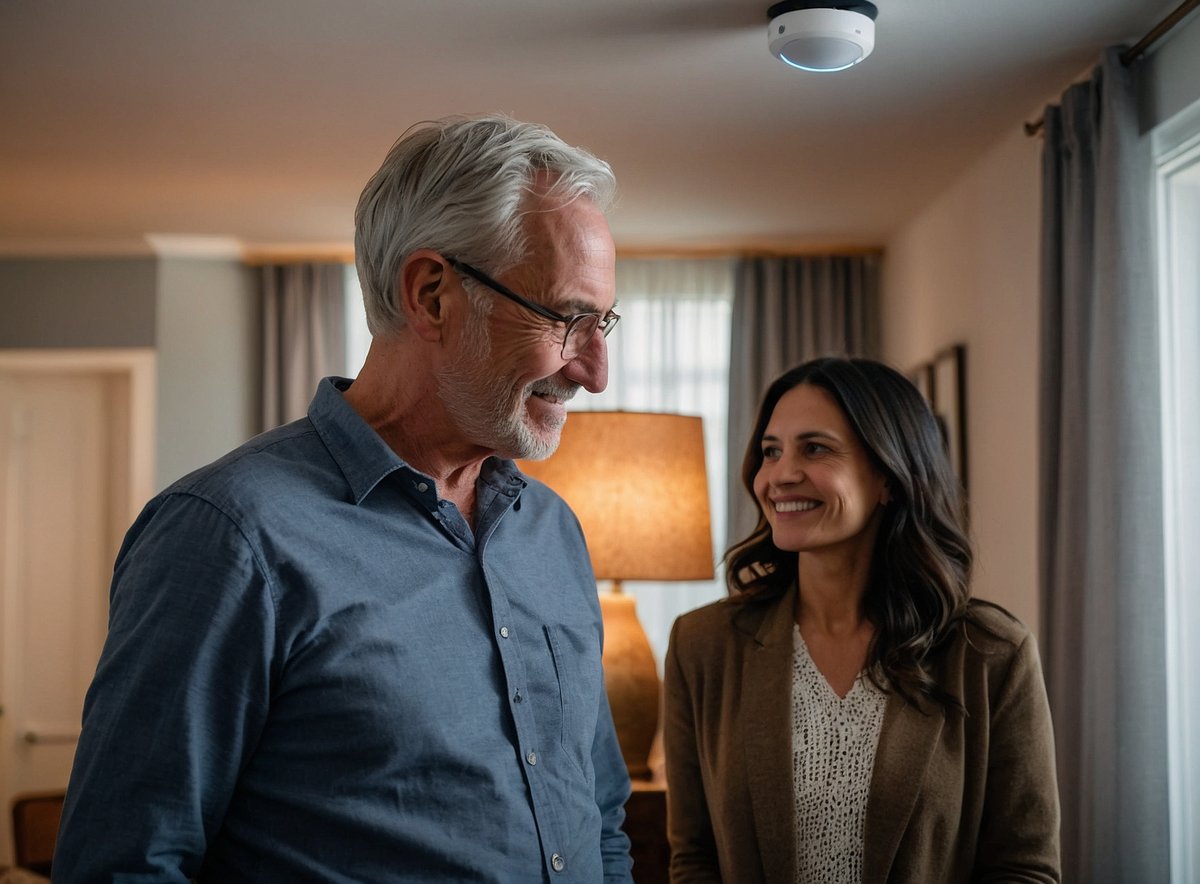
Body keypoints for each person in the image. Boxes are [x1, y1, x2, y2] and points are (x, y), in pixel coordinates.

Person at [54, 114, 634, 883]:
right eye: (566, 319)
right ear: (431, 295)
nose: (595, 371)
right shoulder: (228, 536)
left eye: (604, 324)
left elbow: (599, 817)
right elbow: (124, 864)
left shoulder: (552, 532)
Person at [663, 357, 1060, 883]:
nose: (780, 475)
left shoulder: (992, 655)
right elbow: (694, 858)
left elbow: (1023, 870)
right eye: (771, 451)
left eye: (816, 448)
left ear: (889, 478)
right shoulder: (703, 646)